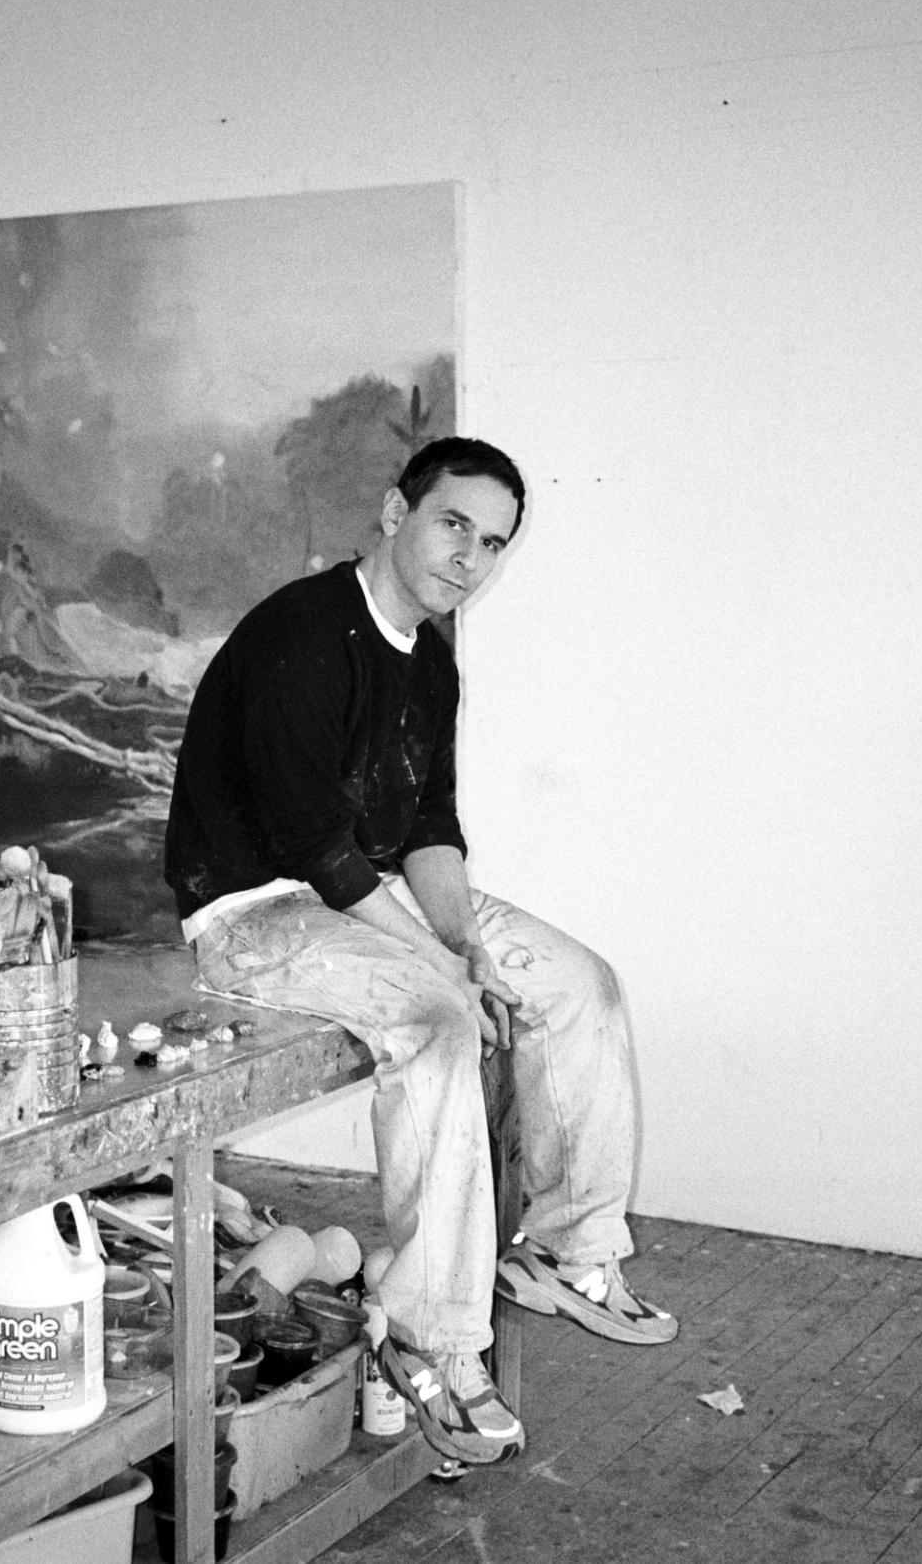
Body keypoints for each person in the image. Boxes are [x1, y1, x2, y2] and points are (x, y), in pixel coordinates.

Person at [163, 437, 675, 1468]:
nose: (469, 558)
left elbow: (430, 826)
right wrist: (444, 972)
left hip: (368, 891)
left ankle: (568, 1251)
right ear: (397, 513)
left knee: (580, 984)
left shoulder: (431, 658)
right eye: (454, 525)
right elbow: (315, 846)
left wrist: (463, 942)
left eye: (492, 543)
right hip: (256, 912)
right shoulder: (301, 636)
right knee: (440, 1022)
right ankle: (433, 1335)